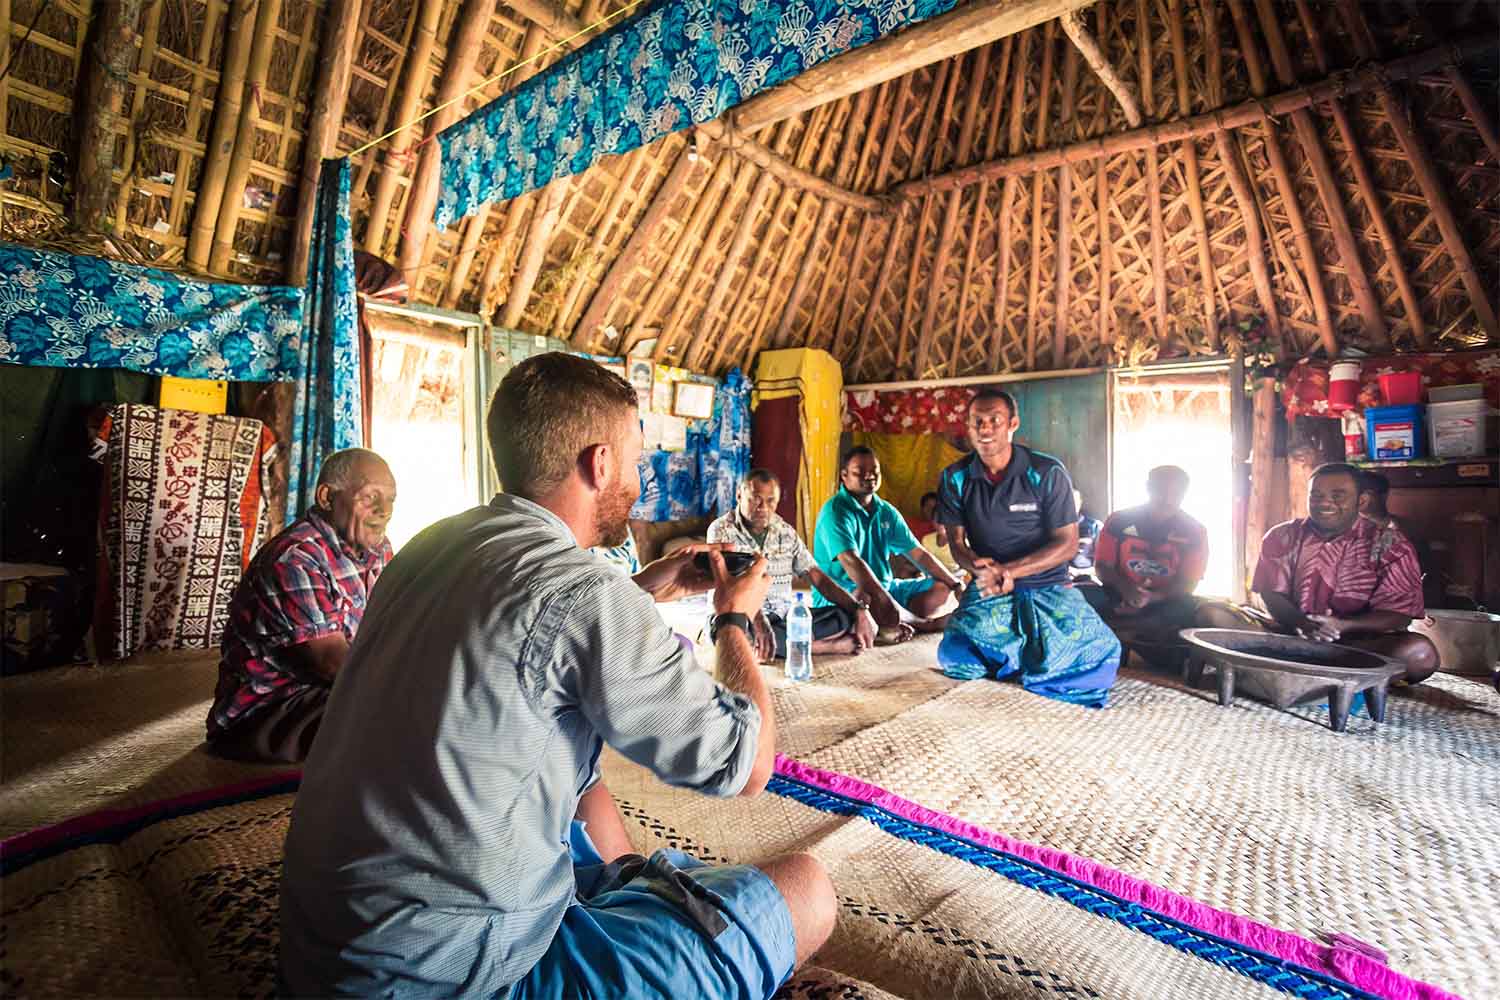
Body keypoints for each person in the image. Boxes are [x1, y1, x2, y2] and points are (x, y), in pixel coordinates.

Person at [279, 353, 835, 998]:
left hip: (330, 957)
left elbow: (525, 639)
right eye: (635, 460)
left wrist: (640, 590)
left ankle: (631, 898)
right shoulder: (586, 593)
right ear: (599, 463)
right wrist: (732, 618)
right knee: (807, 890)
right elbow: (746, 764)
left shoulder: (429, 546)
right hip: (459, 978)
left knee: (571, 761)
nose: (639, 479)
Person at [205, 448, 395, 763]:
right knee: (406, 720)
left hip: (330, 691)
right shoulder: (296, 559)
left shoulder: (376, 549)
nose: (384, 510)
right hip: (270, 710)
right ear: (327, 497)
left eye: (390, 500)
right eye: (370, 497)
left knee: (427, 708)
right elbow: (332, 664)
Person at [936, 390, 1121, 706]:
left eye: (994, 420)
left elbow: (1067, 544)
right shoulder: (955, 478)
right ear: (968, 426)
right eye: (977, 421)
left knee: (1098, 654)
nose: (985, 428)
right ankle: (1022, 655)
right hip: (990, 586)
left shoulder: (1047, 472)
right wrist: (982, 571)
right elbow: (956, 544)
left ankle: (1023, 656)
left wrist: (1010, 571)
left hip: (1047, 585)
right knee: (956, 656)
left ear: (1013, 424)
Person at [1204, 462, 1438, 685]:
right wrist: (1303, 624)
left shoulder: (1391, 544)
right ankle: (1334, 676)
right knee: (1212, 615)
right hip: (1288, 635)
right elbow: (1270, 594)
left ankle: (1282, 670)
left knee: (1419, 654)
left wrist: (1341, 626)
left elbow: (1399, 615)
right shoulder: (1281, 536)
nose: (1325, 503)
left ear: (1361, 500)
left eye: (1338, 495)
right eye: (1316, 496)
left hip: (1356, 645)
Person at [707, 470, 877, 658]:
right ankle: (823, 647)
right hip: (741, 615)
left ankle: (790, 643)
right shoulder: (721, 530)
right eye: (755, 499)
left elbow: (817, 577)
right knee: (734, 634)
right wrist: (760, 623)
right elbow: (733, 586)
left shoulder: (786, 532)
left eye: (771, 500)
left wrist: (858, 609)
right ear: (739, 495)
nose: (763, 507)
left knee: (843, 616)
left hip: (783, 617)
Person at [812, 447, 965, 639]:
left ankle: (893, 621)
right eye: (860, 471)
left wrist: (955, 584)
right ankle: (921, 624)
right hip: (846, 592)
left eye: (874, 470)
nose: (869, 475)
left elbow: (918, 554)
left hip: (886, 587)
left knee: (941, 588)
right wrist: (883, 598)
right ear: (844, 476)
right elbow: (852, 562)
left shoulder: (886, 511)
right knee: (863, 597)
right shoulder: (835, 511)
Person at [1081, 466, 1209, 665]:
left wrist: (1151, 598)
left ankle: (1121, 631)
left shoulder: (1195, 531)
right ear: (1148, 487)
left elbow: (1188, 583)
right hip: (1119, 594)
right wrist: (1127, 590)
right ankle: (1135, 632)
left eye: (1175, 492)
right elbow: (1103, 567)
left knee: (1192, 609)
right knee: (1077, 596)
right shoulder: (1119, 521)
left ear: (1185, 493)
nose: (1167, 498)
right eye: (1161, 489)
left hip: (1164, 601)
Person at [1071, 489, 1104, 575]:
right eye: (1067, 502)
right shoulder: (1052, 528)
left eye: (1074, 501)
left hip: (1083, 577)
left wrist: (1078, 572)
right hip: (1056, 579)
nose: (1070, 506)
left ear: (1080, 502)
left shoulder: (1095, 526)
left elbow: (1104, 567)